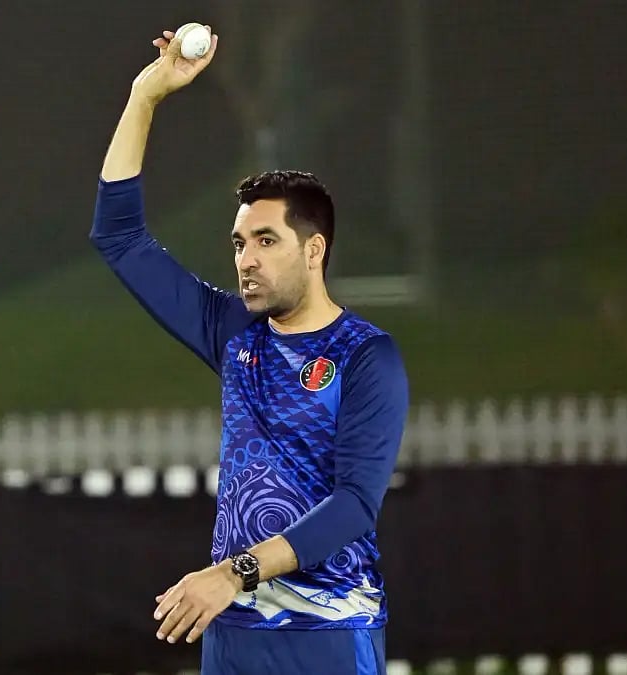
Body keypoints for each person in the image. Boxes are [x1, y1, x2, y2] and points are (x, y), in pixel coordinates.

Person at [91, 25, 409, 675]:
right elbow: (118, 237)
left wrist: (232, 573)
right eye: (239, 244)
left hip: (328, 634)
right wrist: (144, 96)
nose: (245, 260)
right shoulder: (234, 332)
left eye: (265, 241)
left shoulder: (367, 356)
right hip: (234, 636)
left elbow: (354, 505)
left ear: (314, 250)